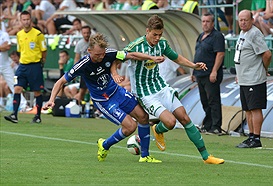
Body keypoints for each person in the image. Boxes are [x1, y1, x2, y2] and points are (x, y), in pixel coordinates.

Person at [43, 33, 164, 163]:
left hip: (117, 92)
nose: (101, 57)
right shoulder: (83, 65)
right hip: (104, 101)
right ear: (89, 51)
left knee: (143, 117)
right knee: (130, 126)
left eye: (102, 54)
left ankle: (145, 156)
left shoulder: (109, 54)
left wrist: (151, 57)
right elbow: (60, 82)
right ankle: (105, 145)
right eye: (97, 55)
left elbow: (132, 55)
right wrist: (51, 100)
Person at [119, 14, 224, 164]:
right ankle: (159, 129)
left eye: (160, 34)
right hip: (145, 93)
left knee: (185, 118)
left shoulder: (162, 43)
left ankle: (206, 156)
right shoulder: (137, 45)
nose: (157, 38)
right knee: (170, 122)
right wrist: (116, 73)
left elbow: (177, 58)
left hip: (160, 87)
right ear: (147, 31)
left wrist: (193, 65)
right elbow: (120, 56)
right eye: (154, 35)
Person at [234, 10, 272, 148]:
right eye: (241, 20)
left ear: (252, 20)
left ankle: (256, 138)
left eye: (246, 20)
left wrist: (264, 68)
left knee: (255, 108)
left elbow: (267, 54)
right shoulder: (243, 33)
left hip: (254, 78)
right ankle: (251, 136)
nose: (243, 22)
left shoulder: (254, 33)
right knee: (248, 109)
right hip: (244, 78)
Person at [4, 10, 47, 124]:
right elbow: (20, 50)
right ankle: (14, 115)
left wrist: (41, 62)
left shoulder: (38, 34)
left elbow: (44, 51)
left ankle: (37, 116)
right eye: (24, 19)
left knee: (37, 92)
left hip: (35, 66)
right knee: (17, 88)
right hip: (22, 66)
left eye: (28, 19)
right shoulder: (19, 34)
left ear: (31, 20)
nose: (26, 21)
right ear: (21, 21)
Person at [192, 13, 225, 135]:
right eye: (203, 21)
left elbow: (220, 54)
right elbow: (197, 54)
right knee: (204, 101)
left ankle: (216, 126)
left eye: (208, 21)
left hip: (210, 73)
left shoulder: (217, 36)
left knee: (213, 100)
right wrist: (193, 70)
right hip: (200, 73)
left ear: (213, 23)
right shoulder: (201, 36)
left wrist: (214, 71)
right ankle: (208, 124)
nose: (205, 24)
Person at [73, 25, 91, 103]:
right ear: (82, 33)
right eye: (84, 33)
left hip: (93, 68)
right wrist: (75, 70)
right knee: (82, 89)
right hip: (85, 69)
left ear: (90, 33)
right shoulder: (80, 44)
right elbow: (77, 57)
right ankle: (80, 106)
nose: (86, 35)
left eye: (87, 33)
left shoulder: (93, 43)